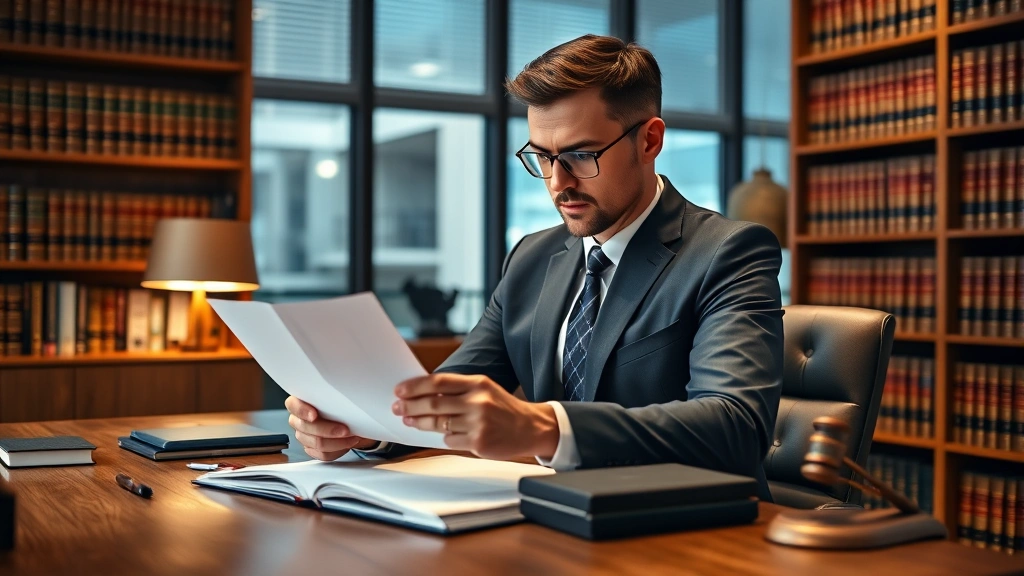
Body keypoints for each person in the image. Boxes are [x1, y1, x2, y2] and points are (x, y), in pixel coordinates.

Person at [285, 34, 784, 499]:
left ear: (649, 141)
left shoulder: (729, 252)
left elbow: (735, 427)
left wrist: (543, 426)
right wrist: (363, 428)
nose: (556, 182)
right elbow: (450, 393)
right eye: (542, 157)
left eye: (580, 154)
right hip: (554, 520)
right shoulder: (532, 257)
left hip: (694, 532)